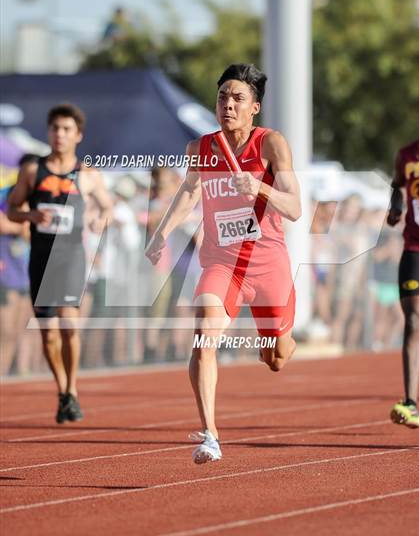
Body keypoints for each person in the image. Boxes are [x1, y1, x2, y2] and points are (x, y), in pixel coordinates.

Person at [146, 63, 301, 463]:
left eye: (237, 98)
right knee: (203, 334)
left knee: (277, 358)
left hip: (268, 265)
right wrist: (161, 232)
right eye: (222, 97)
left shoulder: (271, 144)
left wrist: (260, 185)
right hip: (221, 263)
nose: (227, 104)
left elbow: (296, 208)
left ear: (255, 108)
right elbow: (187, 193)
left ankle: (278, 343)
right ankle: (211, 434)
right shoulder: (202, 148)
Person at [8, 103, 113, 423]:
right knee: (49, 334)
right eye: (55, 128)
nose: (60, 135)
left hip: (70, 258)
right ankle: (62, 390)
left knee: (68, 325)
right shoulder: (31, 171)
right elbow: (12, 209)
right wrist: (29, 215)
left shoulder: (88, 175)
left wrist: (98, 220)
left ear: (78, 135)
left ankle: (73, 390)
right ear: (48, 132)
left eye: (67, 129)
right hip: (41, 257)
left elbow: (107, 207)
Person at [387, 139, 419, 428]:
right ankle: (411, 402)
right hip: (414, 249)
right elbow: (397, 186)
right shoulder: (407, 154)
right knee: (413, 320)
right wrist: (395, 208)